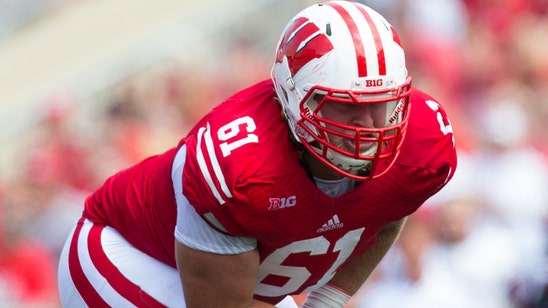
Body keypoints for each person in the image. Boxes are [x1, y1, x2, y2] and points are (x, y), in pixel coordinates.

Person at [57, 1, 457, 307]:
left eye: (382, 102)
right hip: (130, 254)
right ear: (292, 95)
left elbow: (387, 212)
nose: (371, 124)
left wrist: (328, 299)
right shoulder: (240, 167)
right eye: (346, 105)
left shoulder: (423, 141)